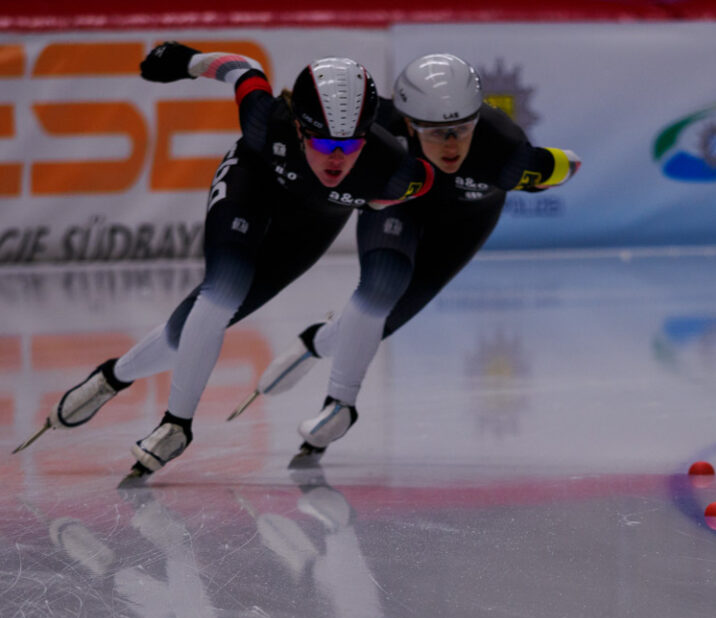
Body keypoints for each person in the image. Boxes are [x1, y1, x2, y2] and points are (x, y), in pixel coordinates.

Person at [13, 42, 434, 483]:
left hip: (314, 222)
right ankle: (176, 425)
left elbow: (423, 185)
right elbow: (242, 68)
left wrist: (374, 200)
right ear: (297, 126)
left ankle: (112, 378)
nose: (336, 157)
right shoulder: (264, 123)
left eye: (350, 145)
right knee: (219, 296)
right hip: (251, 185)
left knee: (184, 331)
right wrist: (187, 61)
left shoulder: (395, 170)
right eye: (324, 141)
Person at [230, 53, 581, 466]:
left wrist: (548, 170)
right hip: (401, 204)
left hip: (464, 225)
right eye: (436, 133)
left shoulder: (505, 151)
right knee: (381, 286)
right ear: (409, 124)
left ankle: (315, 341)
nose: (451, 145)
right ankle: (341, 405)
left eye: (462, 129)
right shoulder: (381, 120)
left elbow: (570, 163)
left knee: (385, 322)